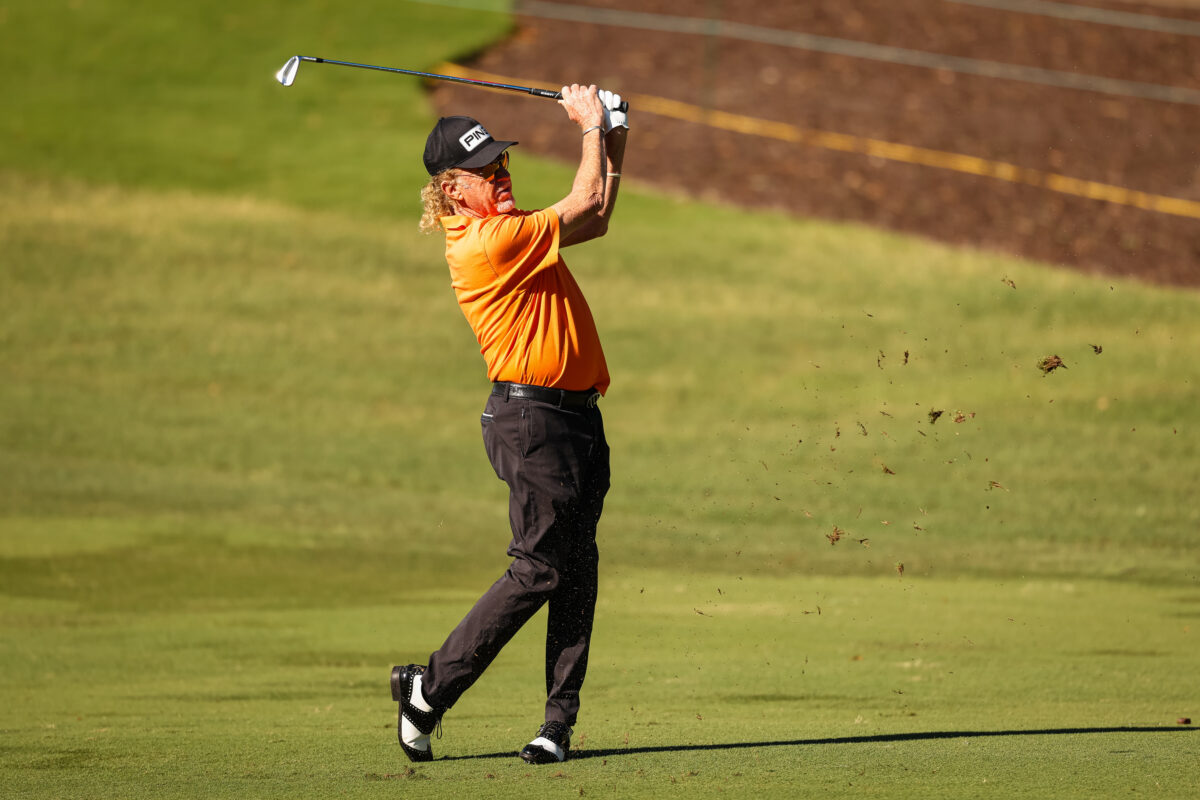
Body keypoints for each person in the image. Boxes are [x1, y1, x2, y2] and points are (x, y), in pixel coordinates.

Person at [391, 84, 629, 765]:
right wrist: (590, 126)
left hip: (576, 417)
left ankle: (556, 726)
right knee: (540, 570)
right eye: (485, 171)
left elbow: (599, 217)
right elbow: (583, 201)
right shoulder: (486, 243)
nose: (501, 176)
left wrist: (617, 132)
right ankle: (429, 690)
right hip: (531, 422)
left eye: (502, 164)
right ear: (451, 190)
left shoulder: (513, 229)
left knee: (574, 569)